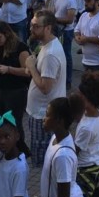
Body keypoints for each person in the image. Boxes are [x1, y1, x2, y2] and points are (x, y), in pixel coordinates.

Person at [26, 10, 67, 167]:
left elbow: (45, 88)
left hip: (43, 114)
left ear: (48, 28)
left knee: (44, 162)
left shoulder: (50, 54)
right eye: (31, 25)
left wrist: (31, 67)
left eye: (36, 26)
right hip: (40, 112)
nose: (31, 29)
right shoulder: (48, 45)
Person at [40, 97, 87, 197]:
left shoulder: (62, 155)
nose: (44, 118)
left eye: (48, 115)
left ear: (59, 121)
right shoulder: (56, 137)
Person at [0, 21, 31, 142]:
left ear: (7, 34)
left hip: (16, 91)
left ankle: (19, 148)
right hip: (0, 90)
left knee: (14, 122)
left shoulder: (20, 48)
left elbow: (27, 71)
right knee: (0, 121)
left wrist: (9, 69)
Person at [52, 0, 78, 90]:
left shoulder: (71, 0)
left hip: (66, 31)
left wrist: (54, 19)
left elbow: (70, 19)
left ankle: (68, 81)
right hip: (57, 29)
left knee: (66, 56)